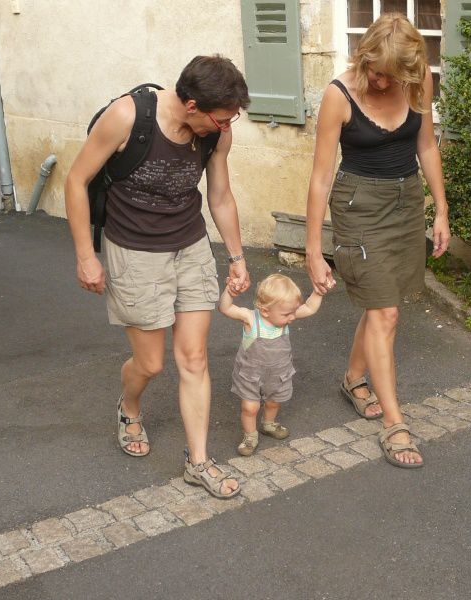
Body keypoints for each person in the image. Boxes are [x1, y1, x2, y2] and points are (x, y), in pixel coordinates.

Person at [64, 55, 250, 499]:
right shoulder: (128, 116)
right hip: (134, 253)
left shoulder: (216, 134)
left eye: (231, 119)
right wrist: (85, 255)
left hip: (190, 247)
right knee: (151, 363)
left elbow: (219, 196)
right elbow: (75, 180)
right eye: (221, 119)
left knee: (194, 359)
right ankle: (130, 406)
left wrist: (237, 257)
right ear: (190, 105)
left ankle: (198, 461)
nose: (226, 127)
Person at [305, 14, 451, 468]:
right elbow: (321, 176)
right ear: (364, 55)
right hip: (359, 207)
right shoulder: (339, 95)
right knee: (384, 310)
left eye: (389, 73)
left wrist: (441, 209)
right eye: (374, 68)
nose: (379, 79)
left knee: (383, 304)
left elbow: (426, 145)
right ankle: (395, 424)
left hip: (406, 201)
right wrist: (313, 248)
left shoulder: (416, 81)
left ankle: (353, 378)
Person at [218, 274, 324, 456]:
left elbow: (309, 308)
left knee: (274, 402)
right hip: (250, 375)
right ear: (266, 311)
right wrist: (229, 291)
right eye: (287, 314)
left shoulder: (285, 315)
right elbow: (225, 308)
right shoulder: (251, 319)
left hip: (278, 374)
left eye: (293, 312)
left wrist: (318, 292)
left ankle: (268, 423)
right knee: (250, 408)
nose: (292, 317)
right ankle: (250, 436)